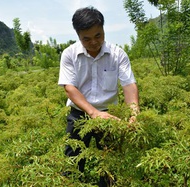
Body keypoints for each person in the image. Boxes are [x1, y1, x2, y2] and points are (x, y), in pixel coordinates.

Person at [58, 6, 139, 186]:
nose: (94, 42)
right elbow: (70, 88)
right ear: (78, 35)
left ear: (103, 30)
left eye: (98, 36)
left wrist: (133, 112)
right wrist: (94, 113)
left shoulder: (117, 54)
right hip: (79, 114)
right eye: (86, 39)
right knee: (73, 161)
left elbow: (129, 84)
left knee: (110, 163)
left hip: (110, 115)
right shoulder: (69, 54)